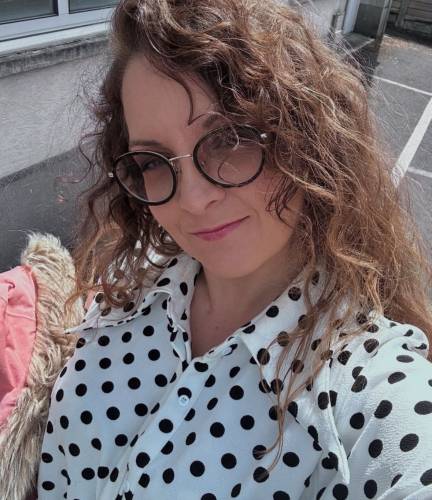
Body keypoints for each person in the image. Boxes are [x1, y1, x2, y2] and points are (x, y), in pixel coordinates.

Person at [37, 0, 432, 498]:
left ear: (308, 141)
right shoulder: (135, 280)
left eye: (229, 139)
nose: (192, 199)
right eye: (153, 160)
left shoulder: (372, 392)